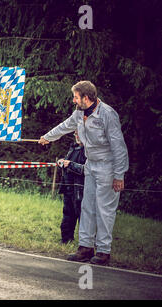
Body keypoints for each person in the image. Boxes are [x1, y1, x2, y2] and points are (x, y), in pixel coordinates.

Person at [38, 81, 128, 265]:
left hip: (107, 167)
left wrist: (119, 175)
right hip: (90, 165)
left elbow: (119, 147)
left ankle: (103, 251)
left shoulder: (107, 114)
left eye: (76, 97)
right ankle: (85, 248)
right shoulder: (79, 113)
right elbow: (65, 126)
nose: (74, 100)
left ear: (86, 98)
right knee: (87, 207)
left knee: (104, 210)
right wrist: (48, 137)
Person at [58, 131, 86, 244]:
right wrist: (62, 162)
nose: (77, 136)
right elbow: (67, 163)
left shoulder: (89, 150)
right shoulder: (73, 148)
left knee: (83, 217)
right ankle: (66, 239)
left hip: (81, 189)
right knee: (68, 214)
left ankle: (85, 244)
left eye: (79, 133)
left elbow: (87, 170)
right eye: (75, 134)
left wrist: (70, 164)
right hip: (68, 188)